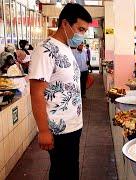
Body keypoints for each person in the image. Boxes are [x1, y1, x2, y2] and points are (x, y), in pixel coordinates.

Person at [28, 3, 92, 180]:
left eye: (85, 30)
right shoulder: (46, 49)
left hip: (73, 124)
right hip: (58, 129)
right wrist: (43, 131)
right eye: (80, 29)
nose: (82, 35)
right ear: (65, 24)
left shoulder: (66, 48)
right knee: (62, 172)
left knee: (70, 169)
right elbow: (36, 93)